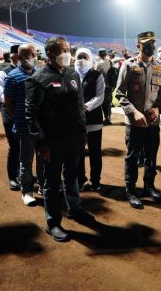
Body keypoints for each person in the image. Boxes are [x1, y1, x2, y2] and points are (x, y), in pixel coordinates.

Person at [26, 36, 93, 242]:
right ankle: (53, 222)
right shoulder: (38, 79)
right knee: (51, 181)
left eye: (67, 49)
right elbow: (31, 114)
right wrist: (40, 143)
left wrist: (83, 132)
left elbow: (80, 106)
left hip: (73, 138)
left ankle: (74, 208)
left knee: (72, 175)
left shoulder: (73, 75)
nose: (67, 53)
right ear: (50, 54)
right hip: (52, 141)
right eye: (62, 50)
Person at [115, 31, 161, 209]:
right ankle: (130, 190)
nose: (150, 47)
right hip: (135, 122)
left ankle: (149, 187)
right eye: (146, 43)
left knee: (151, 156)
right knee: (133, 157)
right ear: (138, 45)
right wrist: (133, 112)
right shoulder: (129, 66)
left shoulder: (160, 67)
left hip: (152, 121)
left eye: (153, 43)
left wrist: (157, 108)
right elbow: (120, 93)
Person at [4, 44, 40, 206]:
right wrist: (20, 118)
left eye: (33, 54)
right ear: (18, 57)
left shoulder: (40, 74)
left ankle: (42, 186)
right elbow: (9, 103)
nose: (31, 57)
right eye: (26, 55)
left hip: (42, 125)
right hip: (24, 127)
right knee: (26, 160)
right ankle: (27, 191)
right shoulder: (12, 77)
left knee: (43, 158)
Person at [75, 48, 105, 192]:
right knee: (78, 152)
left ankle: (95, 181)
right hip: (76, 121)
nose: (81, 59)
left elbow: (100, 97)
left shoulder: (96, 75)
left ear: (90, 58)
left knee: (95, 152)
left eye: (85, 57)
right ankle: (81, 179)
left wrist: (85, 107)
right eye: (79, 57)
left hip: (94, 120)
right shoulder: (70, 75)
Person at [0, 45, 20, 191]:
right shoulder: (4, 72)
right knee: (15, 146)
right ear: (12, 56)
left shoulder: (29, 71)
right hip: (10, 113)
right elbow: (0, 93)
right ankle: (13, 176)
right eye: (17, 55)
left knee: (26, 146)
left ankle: (23, 172)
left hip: (25, 113)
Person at [95, 48, 115, 125]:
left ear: (99, 54)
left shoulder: (98, 63)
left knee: (101, 103)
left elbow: (96, 74)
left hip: (101, 85)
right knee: (108, 102)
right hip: (109, 85)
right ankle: (108, 118)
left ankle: (105, 118)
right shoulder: (110, 61)